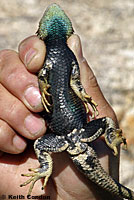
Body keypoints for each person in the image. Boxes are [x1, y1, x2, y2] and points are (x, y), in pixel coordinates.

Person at [0, 34, 120, 200]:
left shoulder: (58, 58)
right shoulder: (55, 59)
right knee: (41, 143)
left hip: (73, 136)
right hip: (72, 135)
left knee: (42, 144)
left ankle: (46, 167)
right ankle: (45, 167)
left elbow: (75, 80)